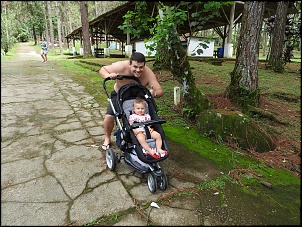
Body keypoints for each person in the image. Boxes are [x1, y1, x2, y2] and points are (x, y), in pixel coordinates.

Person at [99, 51, 163, 151]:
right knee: (109, 116)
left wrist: (153, 93)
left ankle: (148, 135)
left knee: (149, 113)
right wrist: (109, 75)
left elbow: (159, 91)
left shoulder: (148, 73)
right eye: (135, 67)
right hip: (120, 95)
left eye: (141, 67)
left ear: (144, 66)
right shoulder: (120, 66)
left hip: (138, 98)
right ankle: (107, 138)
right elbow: (102, 70)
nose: (138, 70)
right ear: (129, 64)